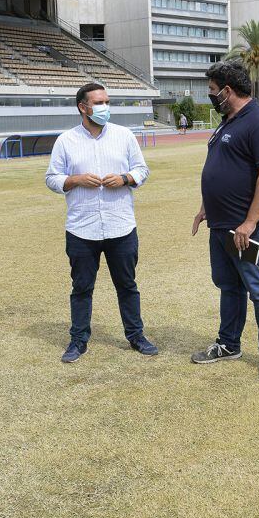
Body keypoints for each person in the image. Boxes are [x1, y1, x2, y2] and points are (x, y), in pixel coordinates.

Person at [45, 83, 157, 364]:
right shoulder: (66, 141)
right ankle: (78, 340)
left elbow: (142, 170)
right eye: (98, 103)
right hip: (82, 229)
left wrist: (125, 178)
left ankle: (136, 335)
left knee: (127, 285)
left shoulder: (124, 136)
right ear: (83, 107)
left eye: (107, 101)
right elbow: (52, 178)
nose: (105, 107)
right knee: (82, 288)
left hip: (121, 226)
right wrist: (75, 180)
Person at [190, 60, 259, 381]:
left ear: (227, 91)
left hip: (244, 229)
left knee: (258, 287)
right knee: (228, 285)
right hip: (220, 225)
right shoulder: (226, 122)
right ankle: (229, 343)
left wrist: (249, 223)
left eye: (212, 90)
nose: (210, 95)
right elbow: (221, 167)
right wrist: (205, 207)